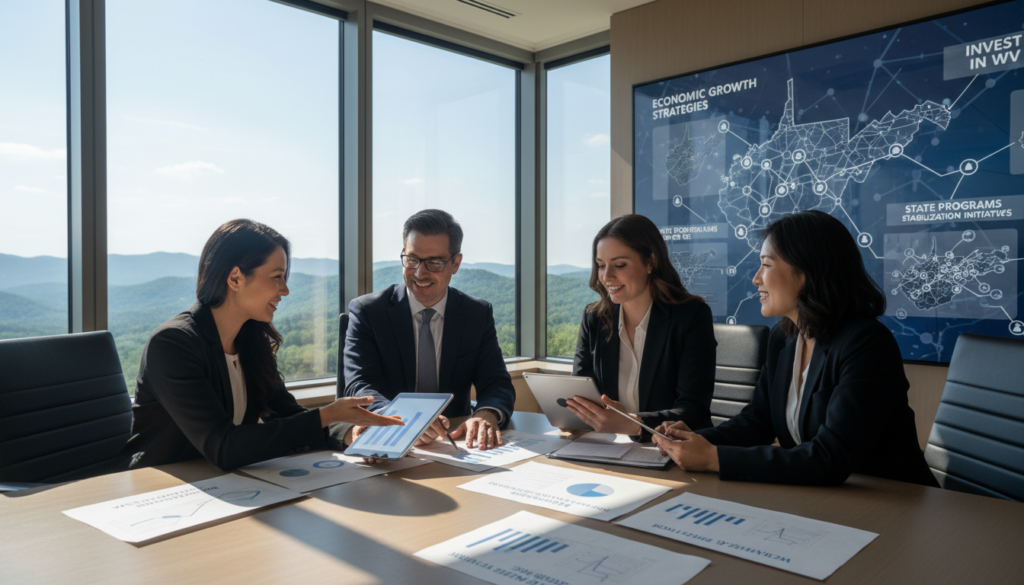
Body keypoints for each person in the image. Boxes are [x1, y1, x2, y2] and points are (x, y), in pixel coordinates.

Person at [652, 210, 939, 487]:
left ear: (806, 271)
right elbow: (758, 421)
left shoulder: (867, 344)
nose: (756, 279)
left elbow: (831, 457)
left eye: (766, 264)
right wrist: (699, 440)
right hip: (827, 499)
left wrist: (713, 458)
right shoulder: (784, 338)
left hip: (894, 503)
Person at [120, 220, 403, 471]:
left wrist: (348, 432)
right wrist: (327, 414)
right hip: (162, 491)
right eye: (276, 277)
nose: (286, 290)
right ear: (235, 278)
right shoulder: (173, 345)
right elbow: (223, 446)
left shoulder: (251, 340)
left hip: (224, 485)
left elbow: (288, 415)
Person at [343, 209, 515, 450]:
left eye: (434, 263)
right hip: (389, 437)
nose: (419, 273)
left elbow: (496, 382)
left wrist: (487, 414)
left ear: (455, 263)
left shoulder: (476, 313)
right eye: (412, 260)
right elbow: (360, 384)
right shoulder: (369, 312)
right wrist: (404, 418)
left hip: (456, 443)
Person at [568, 214, 716, 440]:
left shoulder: (691, 316)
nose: (607, 276)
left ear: (650, 262)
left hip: (669, 450)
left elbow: (694, 411)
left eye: (619, 265)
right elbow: (581, 393)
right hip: (607, 447)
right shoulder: (594, 319)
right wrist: (574, 415)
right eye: (600, 265)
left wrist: (634, 424)